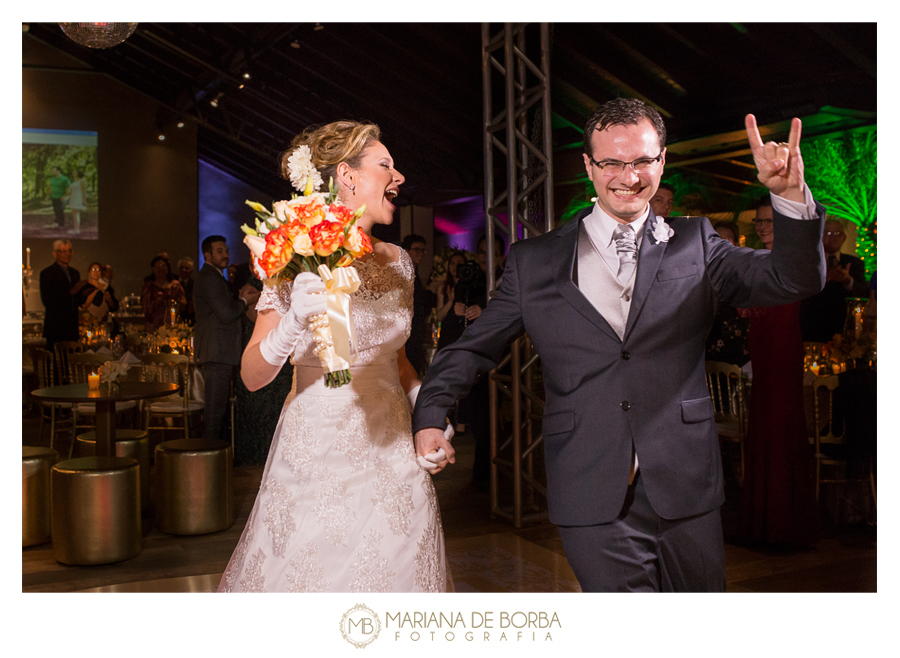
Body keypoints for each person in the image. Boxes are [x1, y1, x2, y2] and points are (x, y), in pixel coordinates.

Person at [413, 98, 826, 592]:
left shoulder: (697, 243)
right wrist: (432, 412)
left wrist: (790, 197)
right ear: (588, 166)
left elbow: (791, 278)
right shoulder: (536, 261)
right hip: (589, 484)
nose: (628, 177)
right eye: (611, 162)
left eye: (643, 162)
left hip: (685, 484)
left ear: (662, 160)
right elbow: (473, 347)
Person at [218, 120, 449, 593]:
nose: (399, 176)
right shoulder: (291, 257)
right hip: (316, 455)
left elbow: (397, 361)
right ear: (347, 176)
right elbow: (252, 377)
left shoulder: (400, 263)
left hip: (392, 457)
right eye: (385, 165)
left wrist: (431, 415)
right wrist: (291, 323)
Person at [739, 197, 818, 546]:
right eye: (758, 222)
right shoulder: (753, 260)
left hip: (784, 353)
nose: (762, 227)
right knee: (763, 428)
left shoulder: (795, 260)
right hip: (762, 351)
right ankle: (762, 522)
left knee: (782, 429)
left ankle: (783, 525)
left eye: (769, 221)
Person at [194, 236, 260, 442]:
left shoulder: (215, 277)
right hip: (217, 351)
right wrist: (244, 300)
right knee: (214, 412)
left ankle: (215, 463)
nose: (225, 255)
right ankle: (208, 463)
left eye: (226, 250)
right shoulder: (208, 278)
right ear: (207, 255)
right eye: (219, 251)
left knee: (219, 411)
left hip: (221, 351)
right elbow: (225, 313)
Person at [799, 218, 869, 342]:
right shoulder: (809, 262)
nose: (833, 237)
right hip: (811, 328)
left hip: (843, 330)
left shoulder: (854, 263)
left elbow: (863, 294)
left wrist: (848, 281)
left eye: (838, 234)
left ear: (844, 238)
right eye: (828, 233)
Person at [705, 220, 750, 366]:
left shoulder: (744, 275)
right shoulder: (699, 275)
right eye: (717, 240)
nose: (722, 246)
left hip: (740, 356)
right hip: (708, 356)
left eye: (727, 241)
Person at [401, 234, 436, 377]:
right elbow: (416, 301)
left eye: (423, 250)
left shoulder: (414, 273)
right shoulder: (403, 273)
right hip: (408, 334)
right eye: (416, 249)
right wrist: (431, 293)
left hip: (415, 332)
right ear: (406, 251)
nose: (420, 254)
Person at [39, 239, 80, 353]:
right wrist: (70, 292)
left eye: (69, 251)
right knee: (57, 365)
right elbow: (47, 301)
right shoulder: (47, 273)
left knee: (73, 364)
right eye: (63, 251)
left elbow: (77, 300)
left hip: (72, 329)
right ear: (55, 253)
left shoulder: (75, 273)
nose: (67, 254)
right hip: (55, 328)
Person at [140, 256, 186, 332]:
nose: (160, 269)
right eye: (157, 266)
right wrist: (163, 297)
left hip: (173, 325)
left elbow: (183, 306)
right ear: (153, 269)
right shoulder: (149, 286)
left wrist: (174, 297)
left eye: (162, 266)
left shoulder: (175, 285)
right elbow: (146, 308)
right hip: (154, 325)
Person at [67, 169, 87, 235]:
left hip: (79, 198)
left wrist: (84, 200)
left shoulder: (82, 180)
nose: (74, 173)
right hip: (73, 197)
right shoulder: (75, 180)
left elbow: (84, 191)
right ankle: (75, 228)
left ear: (79, 173)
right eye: (73, 172)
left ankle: (77, 229)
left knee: (76, 213)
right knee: (74, 214)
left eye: (75, 172)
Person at [177, 256, 196, 324]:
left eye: (187, 268)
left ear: (191, 270)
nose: (184, 270)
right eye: (182, 267)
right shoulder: (173, 283)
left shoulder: (195, 285)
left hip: (189, 319)